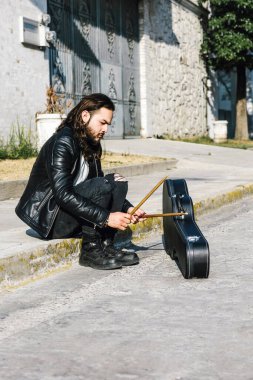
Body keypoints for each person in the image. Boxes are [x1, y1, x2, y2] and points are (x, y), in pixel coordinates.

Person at [15, 93, 145, 270]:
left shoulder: (91, 143)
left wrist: (129, 209)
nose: (105, 130)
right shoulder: (62, 142)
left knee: (117, 181)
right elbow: (62, 195)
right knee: (104, 184)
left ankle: (106, 245)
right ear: (85, 116)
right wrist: (107, 218)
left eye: (108, 124)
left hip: (72, 211)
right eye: (102, 122)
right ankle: (90, 251)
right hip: (51, 219)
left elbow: (100, 185)